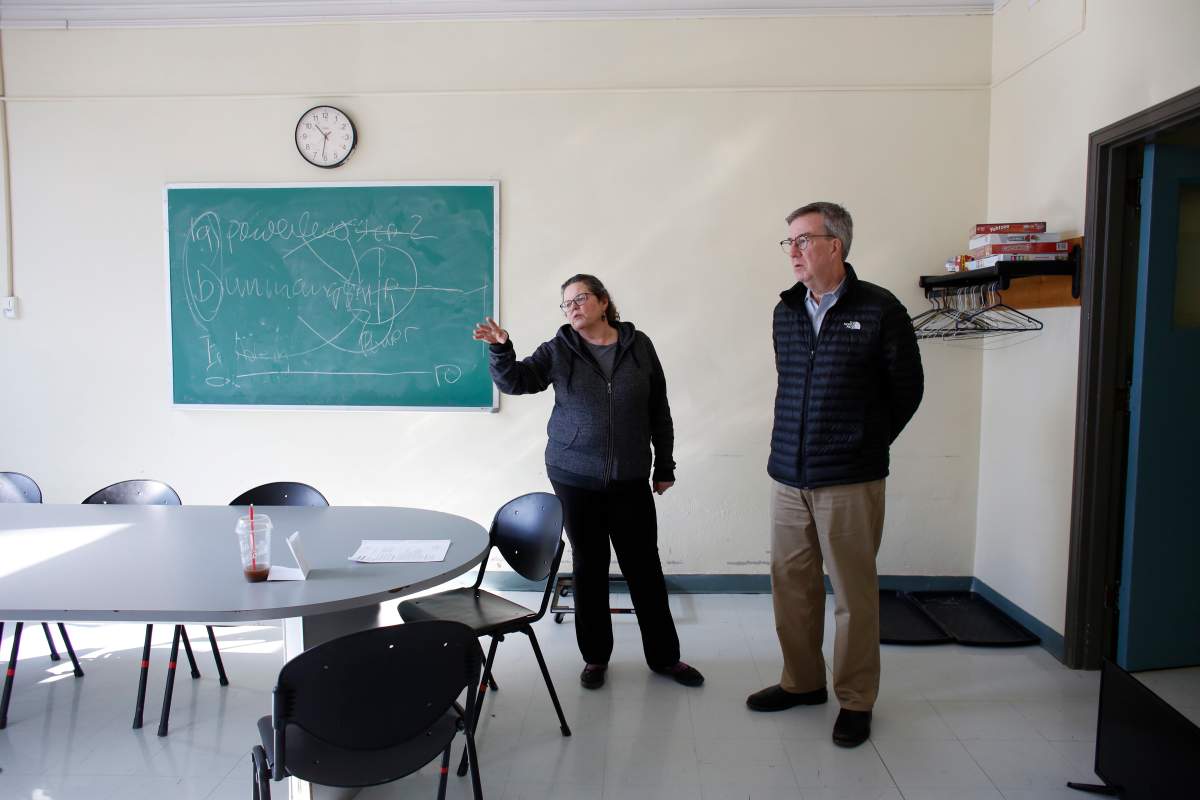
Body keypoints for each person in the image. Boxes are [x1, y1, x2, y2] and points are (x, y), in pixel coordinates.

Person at [747, 202, 923, 747]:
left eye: (802, 240)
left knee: (853, 594)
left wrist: (863, 443)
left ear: (835, 246)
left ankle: (855, 699)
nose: (793, 252)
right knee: (792, 587)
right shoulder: (786, 310)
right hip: (788, 476)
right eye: (789, 243)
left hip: (850, 477)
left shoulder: (879, 309)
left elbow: (907, 389)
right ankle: (802, 683)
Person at [473, 274, 703, 690]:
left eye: (580, 299)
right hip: (574, 477)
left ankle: (665, 658)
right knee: (589, 567)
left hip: (631, 476)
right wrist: (501, 349)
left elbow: (659, 409)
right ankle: (596, 658)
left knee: (644, 569)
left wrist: (664, 466)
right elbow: (517, 382)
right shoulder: (559, 349)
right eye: (566, 303)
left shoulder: (639, 346)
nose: (573, 307)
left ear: (603, 302)